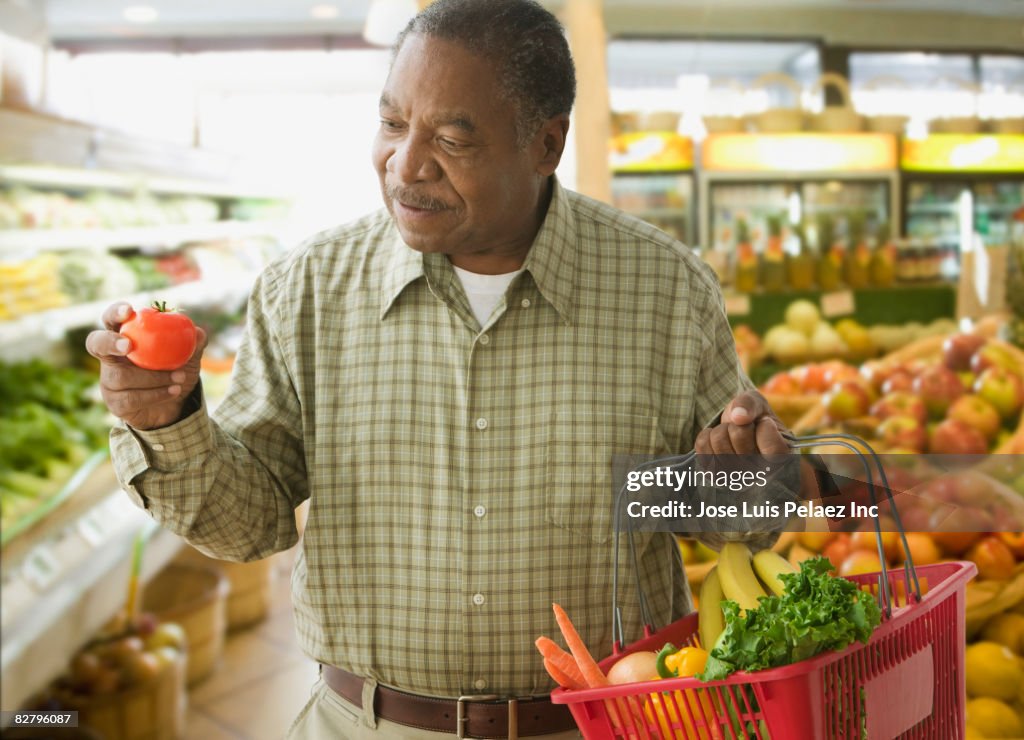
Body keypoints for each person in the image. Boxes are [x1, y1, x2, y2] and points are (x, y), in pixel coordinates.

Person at [86, 1, 791, 737]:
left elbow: (725, 513)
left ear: (545, 145)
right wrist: (167, 422)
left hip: (608, 722)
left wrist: (747, 481)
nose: (406, 163)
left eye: (452, 137)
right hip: (364, 722)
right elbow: (250, 525)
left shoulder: (664, 287)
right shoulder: (308, 287)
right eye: (392, 124)